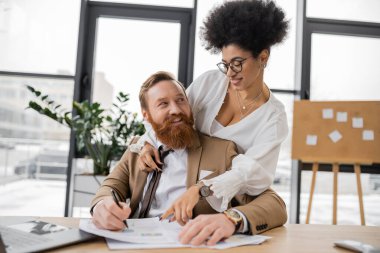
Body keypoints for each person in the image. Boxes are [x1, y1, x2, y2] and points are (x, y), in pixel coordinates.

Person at [91, 71, 287, 246]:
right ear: (146, 115)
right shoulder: (137, 149)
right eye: (163, 104)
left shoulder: (221, 151)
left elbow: (274, 203)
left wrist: (231, 219)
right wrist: (102, 206)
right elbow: (110, 187)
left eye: (180, 100)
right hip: (129, 244)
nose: (175, 109)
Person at [134, 0, 289, 220]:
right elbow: (174, 117)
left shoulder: (273, 118)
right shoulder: (209, 83)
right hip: (176, 189)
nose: (229, 73)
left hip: (217, 210)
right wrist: (147, 142)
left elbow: (249, 174)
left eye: (237, 63)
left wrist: (201, 189)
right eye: (225, 64)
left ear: (263, 58)